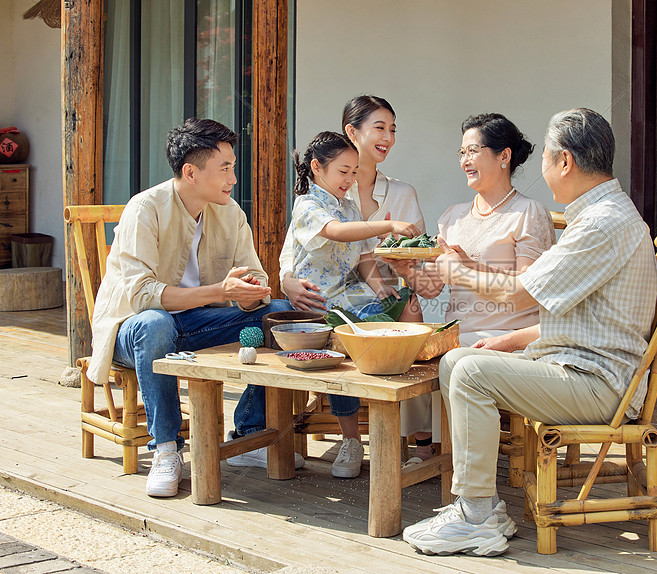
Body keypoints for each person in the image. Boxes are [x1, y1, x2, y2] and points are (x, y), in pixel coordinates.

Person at [402, 108, 657, 556]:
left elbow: (523, 292)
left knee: (467, 371)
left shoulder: (601, 223)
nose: (540, 166)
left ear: (565, 162)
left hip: (598, 383)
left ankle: (478, 513)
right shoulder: (603, 215)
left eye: (545, 157)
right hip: (581, 364)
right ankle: (478, 506)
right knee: (459, 361)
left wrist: (457, 271)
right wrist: (513, 339)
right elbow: (581, 318)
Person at [87, 118, 295, 499]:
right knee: (156, 324)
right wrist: (220, 289)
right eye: (226, 168)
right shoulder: (144, 208)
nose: (234, 177)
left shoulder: (230, 213)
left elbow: (258, 281)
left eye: (233, 166)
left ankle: (250, 430)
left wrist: (250, 293)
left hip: (197, 326)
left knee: (277, 313)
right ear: (191, 172)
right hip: (133, 332)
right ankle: (167, 448)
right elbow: (143, 296)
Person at [385, 112, 554, 464]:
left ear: (504, 156)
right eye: (461, 152)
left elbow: (529, 289)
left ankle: (456, 457)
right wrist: (408, 271)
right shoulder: (453, 215)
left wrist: (464, 270)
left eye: (473, 150)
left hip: (506, 337)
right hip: (456, 333)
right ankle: (428, 446)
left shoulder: (528, 212)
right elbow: (432, 288)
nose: (464, 160)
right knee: (407, 349)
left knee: (439, 355)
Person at [285, 130, 422, 478]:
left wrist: (379, 288)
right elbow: (335, 232)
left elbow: (362, 257)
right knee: (351, 345)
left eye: (354, 172)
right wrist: (388, 223)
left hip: (351, 294)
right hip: (317, 300)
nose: (350, 179)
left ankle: (403, 435)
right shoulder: (308, 204)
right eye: (343, 171)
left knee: (399, 320)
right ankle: (352, 439)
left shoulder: (348, 205)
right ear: (317, 167)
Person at [280, 95, 426, 312]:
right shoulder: (312, 201)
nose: (388, 137)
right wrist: (286, 281)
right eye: (380, 128)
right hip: (319, 296)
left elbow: (365, 256)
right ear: (351, 131)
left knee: (407, 304)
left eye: (392, 130)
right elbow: (301, 247)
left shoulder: (394, 196)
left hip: (356, 294)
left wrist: (392, 274)